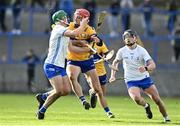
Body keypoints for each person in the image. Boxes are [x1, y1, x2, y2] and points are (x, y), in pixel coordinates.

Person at [35, 10, 89, 120]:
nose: (67, 19)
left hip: (60, 65)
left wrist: (85, 48)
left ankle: (43, 96)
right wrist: (83, 24)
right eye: (64, 17)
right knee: (59, 90)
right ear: (59, 19)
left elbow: (71, 46)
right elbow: (75, 33)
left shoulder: (64, 31)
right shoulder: (58, 29)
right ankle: (41, 111)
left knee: (66, 91)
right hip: (51, 64)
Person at [109, 29, 171, 123]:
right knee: (136, 99)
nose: (128, 39)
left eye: (130, 37)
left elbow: (153, 65)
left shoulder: (142, 51)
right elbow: (115, 62)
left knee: (157, 99)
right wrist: (112, 76)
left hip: (144, 79)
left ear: (135, 38)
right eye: (126, 38)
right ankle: (146, 106)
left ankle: (166, 117)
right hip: (131, 80)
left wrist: (146, 68)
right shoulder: (122, 51)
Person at [66, 8, 115, 118]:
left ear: (85, 19)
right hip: (73, 60)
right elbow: (70, 40)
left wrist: (95, 39)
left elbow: (98, 40)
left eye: (79, 17)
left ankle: (108, 112)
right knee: (72, 77)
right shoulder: (69, 27)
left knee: (99, 90)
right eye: (76, 16)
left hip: (87, 61)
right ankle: (83, 100)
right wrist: (81, 42)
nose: (76, 18)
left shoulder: (90, 30)